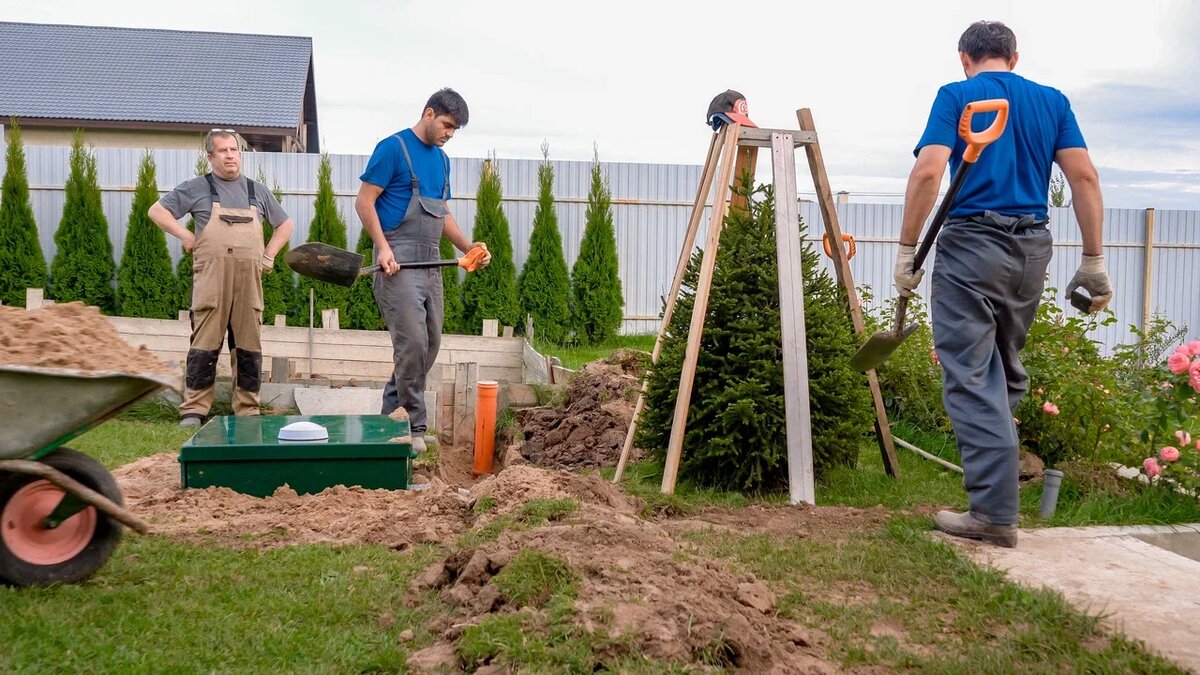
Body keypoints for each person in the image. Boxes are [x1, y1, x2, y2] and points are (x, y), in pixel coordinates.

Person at [894, 21, 1112, 547]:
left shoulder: (958, 95)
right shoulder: (1052, 101)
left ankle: (993, 514)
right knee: (1004, 372)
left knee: (970, 374)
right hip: (1031, 246)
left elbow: (928, 172)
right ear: (1013, 57)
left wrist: (906, 250)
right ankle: (992, 494)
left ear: (964, 57)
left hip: (972, 244)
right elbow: (1083, 176)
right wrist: (1094, 260)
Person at [355, 88, 491, 453]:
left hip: (431, 261)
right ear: (429, 114)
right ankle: (414, 426)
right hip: (397, 261)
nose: (449, 134)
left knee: (430, 343)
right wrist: (382, 248)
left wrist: (468, 247)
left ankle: (392, 416)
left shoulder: (442, 162)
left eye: (456, 130)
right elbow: (364, 201)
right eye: (447, 125)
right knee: (411, 343)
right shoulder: (393, 148)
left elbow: (441, 212)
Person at [149, 130, 295, 427]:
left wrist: (269, 256)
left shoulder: (257, 191)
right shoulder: (196, 188)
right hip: (211, 278)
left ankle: (247, 410)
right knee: (205, 342)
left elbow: (286, 224)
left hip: (248, 281)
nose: (230, 155)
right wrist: (187, 236)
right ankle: (194, 410)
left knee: (248, 346)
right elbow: (157, 211)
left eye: (235, 150)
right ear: (210, 157)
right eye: (223, 151)